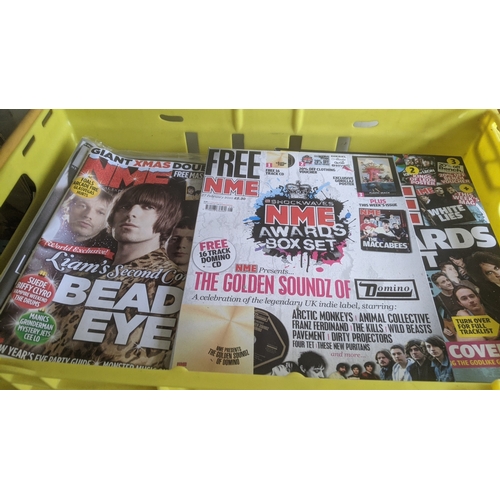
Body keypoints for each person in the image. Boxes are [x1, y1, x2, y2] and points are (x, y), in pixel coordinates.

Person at [43, 182, 184, 368]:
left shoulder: (170, 282)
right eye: (124, 206)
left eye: (147, 207)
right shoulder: (81, 273)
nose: (131, 213)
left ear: (166, 217)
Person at [465, 251, 500, 323]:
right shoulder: (488, 296)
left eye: (496, 268)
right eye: (489, 273)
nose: (497, 274)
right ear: (484, 277)